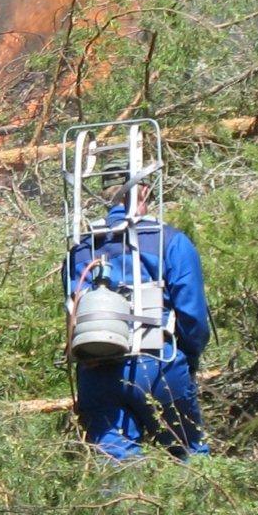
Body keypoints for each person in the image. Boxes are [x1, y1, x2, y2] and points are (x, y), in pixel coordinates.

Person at [64, 165, 211, 460]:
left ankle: (126, 506)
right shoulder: (169, 241)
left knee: (118, 468)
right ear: (143, 192)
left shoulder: (79, 250)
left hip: (97, 370)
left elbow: (72, 310)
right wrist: (189, 360)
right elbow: (192, 317)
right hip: (159, 364)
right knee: (189, 456)